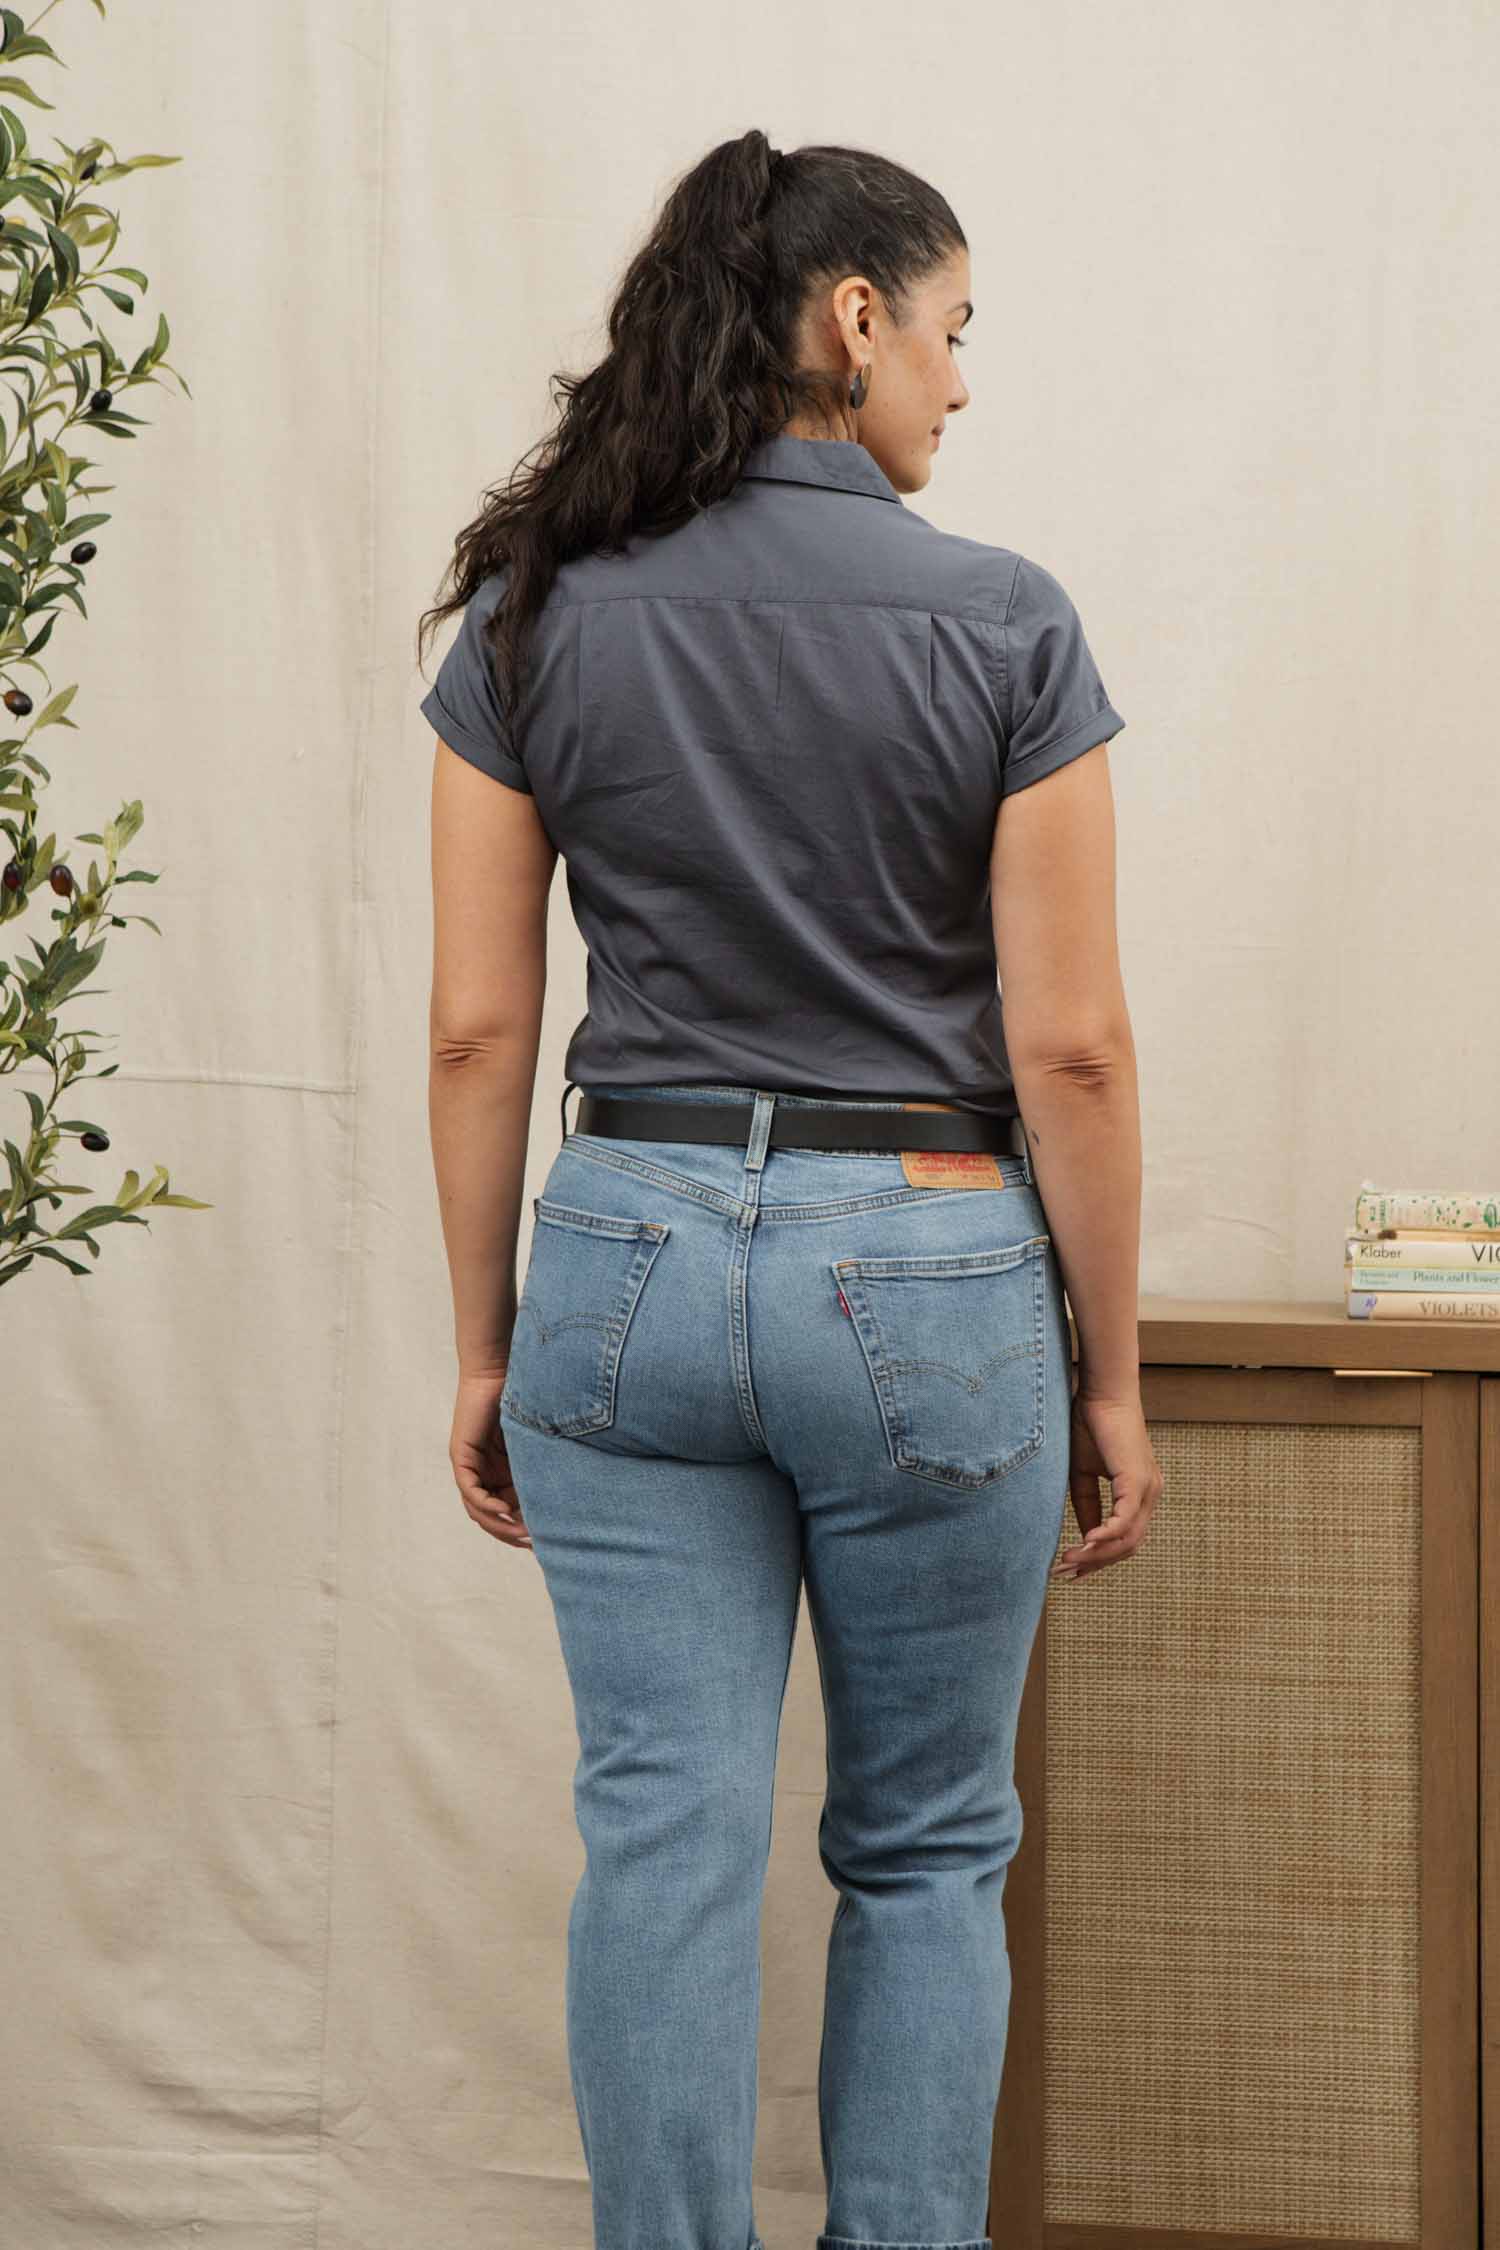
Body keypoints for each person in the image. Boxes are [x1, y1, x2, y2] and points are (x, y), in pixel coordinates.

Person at [417, 130, 1161, 2250]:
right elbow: (1074, 1048)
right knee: (925, 1848)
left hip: (625, 1260)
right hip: (928, 1264)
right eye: (949, 330)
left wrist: (485, 1344)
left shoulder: (533, 614)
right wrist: (1110, 1374)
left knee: (663, 1834)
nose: (958, 379)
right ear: (853, 321)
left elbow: (479, 1033)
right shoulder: (1007, 624)